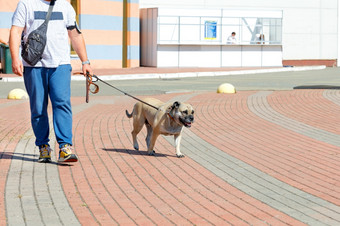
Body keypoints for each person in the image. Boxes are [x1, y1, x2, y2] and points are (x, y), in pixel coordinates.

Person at [9, 0, 93, 163]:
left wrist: (85, 61)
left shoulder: (66, 6)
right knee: (38, 108)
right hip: (34, 65)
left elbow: (75, 34)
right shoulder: (26, 5)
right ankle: (43, 147)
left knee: (62, 103)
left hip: (60, 65)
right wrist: (15, 58)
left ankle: (65, 147)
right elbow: (15, 31)